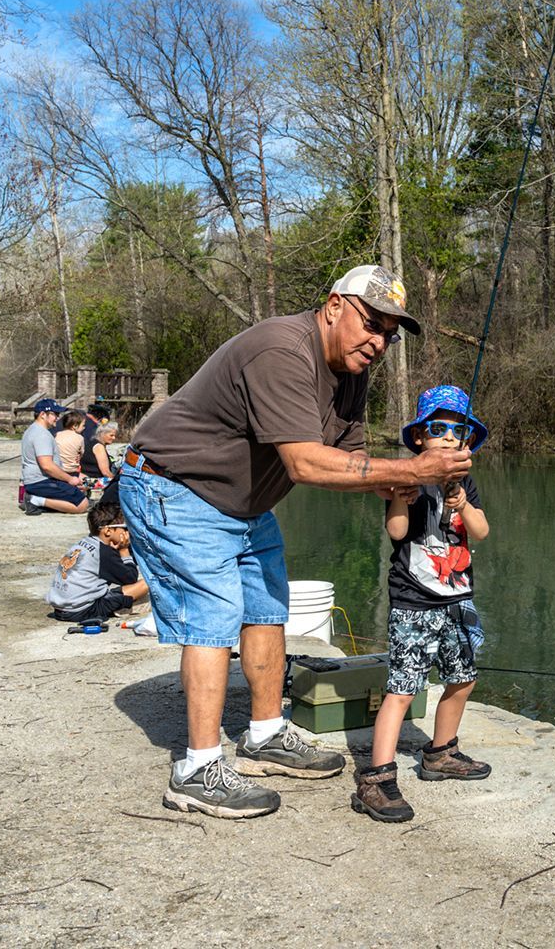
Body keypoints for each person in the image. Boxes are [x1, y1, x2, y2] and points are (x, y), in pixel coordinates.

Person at [118, 264, 472, 820]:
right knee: (215, 614)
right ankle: (196, 770)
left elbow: (354, 464)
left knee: (265, 607)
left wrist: (416, 484)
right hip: (173, 484)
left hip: (243, 501)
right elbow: (306, 462)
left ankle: (264, 737)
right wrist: (417, 467)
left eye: (389, 333)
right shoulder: (281, 351)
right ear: (334, 305)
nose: (378, 342)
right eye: (372, 323)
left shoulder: (352, 374)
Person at [352, 385, 492, 823]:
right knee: (403, 688)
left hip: (459, 600)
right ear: (419, 438)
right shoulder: (407, 480)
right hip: (414, 601)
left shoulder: (465, 483)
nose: (449, 437)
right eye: (438, 428)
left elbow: (482, 533)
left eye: (458, 430)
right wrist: (399, 496)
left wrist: (463, 504)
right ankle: (377, 777)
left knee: (463, 678)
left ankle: (440, 752)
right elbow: (396, 533)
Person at [46, 502, 150, 623]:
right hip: (82, 611)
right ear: (107, 531)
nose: (127, 532)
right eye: (124, 528)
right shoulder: (103, 552)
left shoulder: (83, 543)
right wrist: (124, 550)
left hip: (60, 609)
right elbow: (130, 578)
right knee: (148, 582)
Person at [20, 399, 90, 516]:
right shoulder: (41, 434)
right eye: (55, 414)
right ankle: (34, 500)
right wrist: (70, 479)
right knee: (82, 504)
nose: (58, 418)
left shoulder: (32, 430)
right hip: (41, 481)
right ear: (43, 415)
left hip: (35, 480)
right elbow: (47, 466)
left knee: (77, 491)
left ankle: (37, 501)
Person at [77, 402, 112, 474]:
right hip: (92, 471)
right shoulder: (95, 430)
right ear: (102, 419)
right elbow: (105, 471)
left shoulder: (76, 421)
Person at [55, 410, 87, 475]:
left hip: (58, 468)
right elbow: (81, 453)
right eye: (83, 425)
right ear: (75, 426)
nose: (84, 428)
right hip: (72, 470)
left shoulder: (57, 434)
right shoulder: (80, 438)